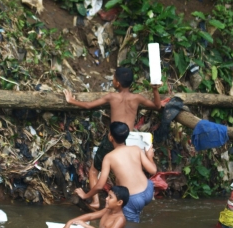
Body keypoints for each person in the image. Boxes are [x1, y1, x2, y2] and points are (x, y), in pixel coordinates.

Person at [63, 67, 161, 208]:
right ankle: (124, 199)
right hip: (127, 136)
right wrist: (155, 90)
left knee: (93, 170)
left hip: (114, 138)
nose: (113, 80)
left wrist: (72, 100)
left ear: (118, 84)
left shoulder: (112, 97)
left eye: (114, 78)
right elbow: (157, 106)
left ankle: (96, 201)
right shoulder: (137, 98)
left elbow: (88, 105)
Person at [74, 122, 157, 223]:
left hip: (133, 199)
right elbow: (153, 170)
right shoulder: (136, 149)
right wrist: (150, 157)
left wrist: (85, 195)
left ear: (110, 137)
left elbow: (100, 185)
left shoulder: (109, 157)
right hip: (148, 190)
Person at [59, 185, 129, 228]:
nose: (106, 198)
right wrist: (70, 222)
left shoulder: (120, 219)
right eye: (108, 195)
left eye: (110, 197)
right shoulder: (107, 210)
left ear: (119, 202)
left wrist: (86, 226)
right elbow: (90, 216)